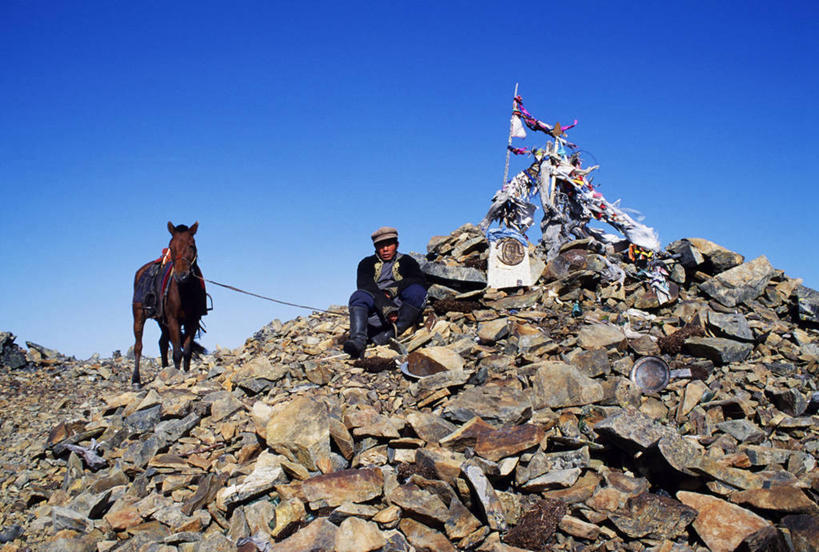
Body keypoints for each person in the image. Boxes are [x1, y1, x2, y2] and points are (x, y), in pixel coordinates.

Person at [343, 226, 427, 358]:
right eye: (381, 245)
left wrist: (392, 290)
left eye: (389, 244)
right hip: (376, 302)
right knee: (358, 296)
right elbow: (365, 285)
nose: (385, 249)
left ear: (397, 244)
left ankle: (391, 334)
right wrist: (385, 306)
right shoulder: (366, 263)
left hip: (400, 301)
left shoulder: (408, 261)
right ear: (375, 247)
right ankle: (358, 341)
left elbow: (418, 279)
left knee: (417, 291)